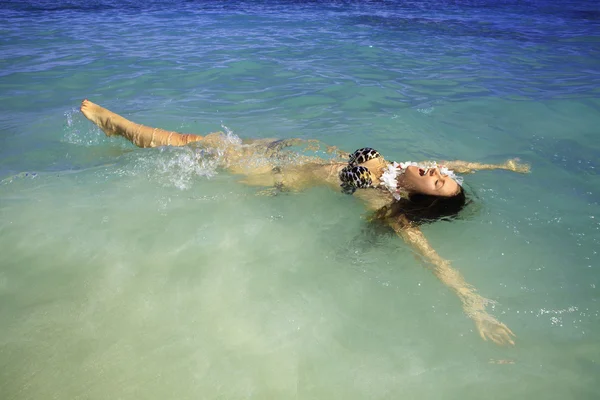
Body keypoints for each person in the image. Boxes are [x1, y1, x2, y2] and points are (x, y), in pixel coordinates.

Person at [80, 99, 530, 345]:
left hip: (274, 176)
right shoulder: (407, 170)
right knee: (201, 142)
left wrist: (475, 306)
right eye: (441, 176)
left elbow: (432, 258)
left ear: (413, 197)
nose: (437, 172)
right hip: (286, 152)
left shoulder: (385, 202)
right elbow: (457, 165)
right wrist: (497, 168)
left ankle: (118, 127)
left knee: (198, 144)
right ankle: (126, 134)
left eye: (436, 182)